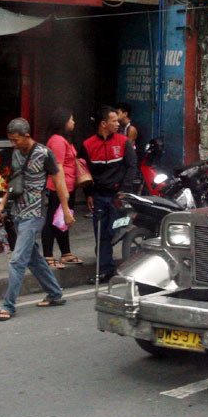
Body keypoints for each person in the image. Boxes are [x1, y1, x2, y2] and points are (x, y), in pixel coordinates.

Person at [0, 118, 75, 321]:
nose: (13, 144)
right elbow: (13, 182)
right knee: (33, 258)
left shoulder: (44, 154)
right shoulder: (15, 153)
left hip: (34, 213)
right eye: (11, 140)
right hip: (17, 212)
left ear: (27, 136)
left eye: (16, 140)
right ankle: (55, 294)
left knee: (17, 260)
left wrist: (66, 210)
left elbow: (59, 183)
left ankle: (8, 306)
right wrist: (2, 204)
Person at [78, 105, 137, 284]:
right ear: (103, 124)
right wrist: (88, 194)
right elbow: (83, 172)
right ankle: (105, 270)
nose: (118, 124)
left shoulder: (123, 141)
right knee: (101, 233)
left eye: (118, 121)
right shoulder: (87, 145)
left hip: (118, 196)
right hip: (98, 196)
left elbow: (131, 166)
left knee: (115, 229)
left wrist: (124, 190)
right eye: (114, 121)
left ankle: (111, 260)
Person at [40, 108, 82, 268]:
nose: (74, 122)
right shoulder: (57, 141)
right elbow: (58, 169)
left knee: (63, 220)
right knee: (53, 221)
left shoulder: (64, 140)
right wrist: (62, 191)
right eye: (71, 119)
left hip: (68, 187)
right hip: (59, 187)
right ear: (63, 121)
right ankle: (48, 256)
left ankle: (66, 253)